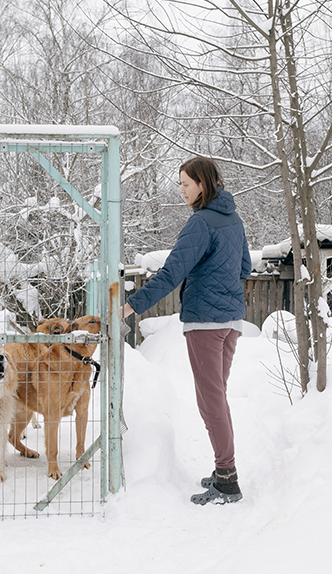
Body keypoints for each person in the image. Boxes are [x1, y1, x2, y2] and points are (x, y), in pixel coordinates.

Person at [122, 156, 252, 505]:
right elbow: (245, 267)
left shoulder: (200, 224)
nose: (181, 190)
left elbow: (171, 272)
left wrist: (132, 304)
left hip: (205, 324)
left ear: (203, 185)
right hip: (230, 322)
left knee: (211, 401)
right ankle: (224, 469)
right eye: (179, 183)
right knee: (217, 398)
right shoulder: (234, 221)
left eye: (185, 184)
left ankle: (227, 479)